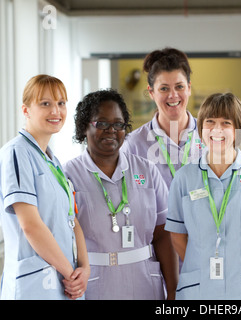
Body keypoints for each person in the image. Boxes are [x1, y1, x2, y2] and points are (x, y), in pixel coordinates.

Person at [165, 93, 241, 299]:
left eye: (226, 123)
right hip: (199, 290)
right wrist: (202, 264)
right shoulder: (184, 177)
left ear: (239, 129)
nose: (216, 129)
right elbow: (177, 234)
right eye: (210, 122)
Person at [64, 89, 178, 299]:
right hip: (96, 285)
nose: (111, 131)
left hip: (145, 284)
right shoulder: (68, 175)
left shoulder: (147, 170)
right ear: (83, 127)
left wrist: (172, 291)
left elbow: (163, 234)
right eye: (102, 124)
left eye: (118, 124)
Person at [0, 74, 89, 300]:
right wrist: (70, 275)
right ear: (26, 110)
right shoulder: (17, 153)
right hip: (35, 286)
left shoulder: (52, 161)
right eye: (45, 104)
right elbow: (31, 226)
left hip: (63, 282)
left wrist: (85, 268)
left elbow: (71, 220)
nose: (56, 111)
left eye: (61, 103)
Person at [121, 47, 203, 188]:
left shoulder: (209, 136)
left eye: (179, 87)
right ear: (151, 92)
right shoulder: (134, 145)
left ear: (189, 88)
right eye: (164, 88)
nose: (173, 95)